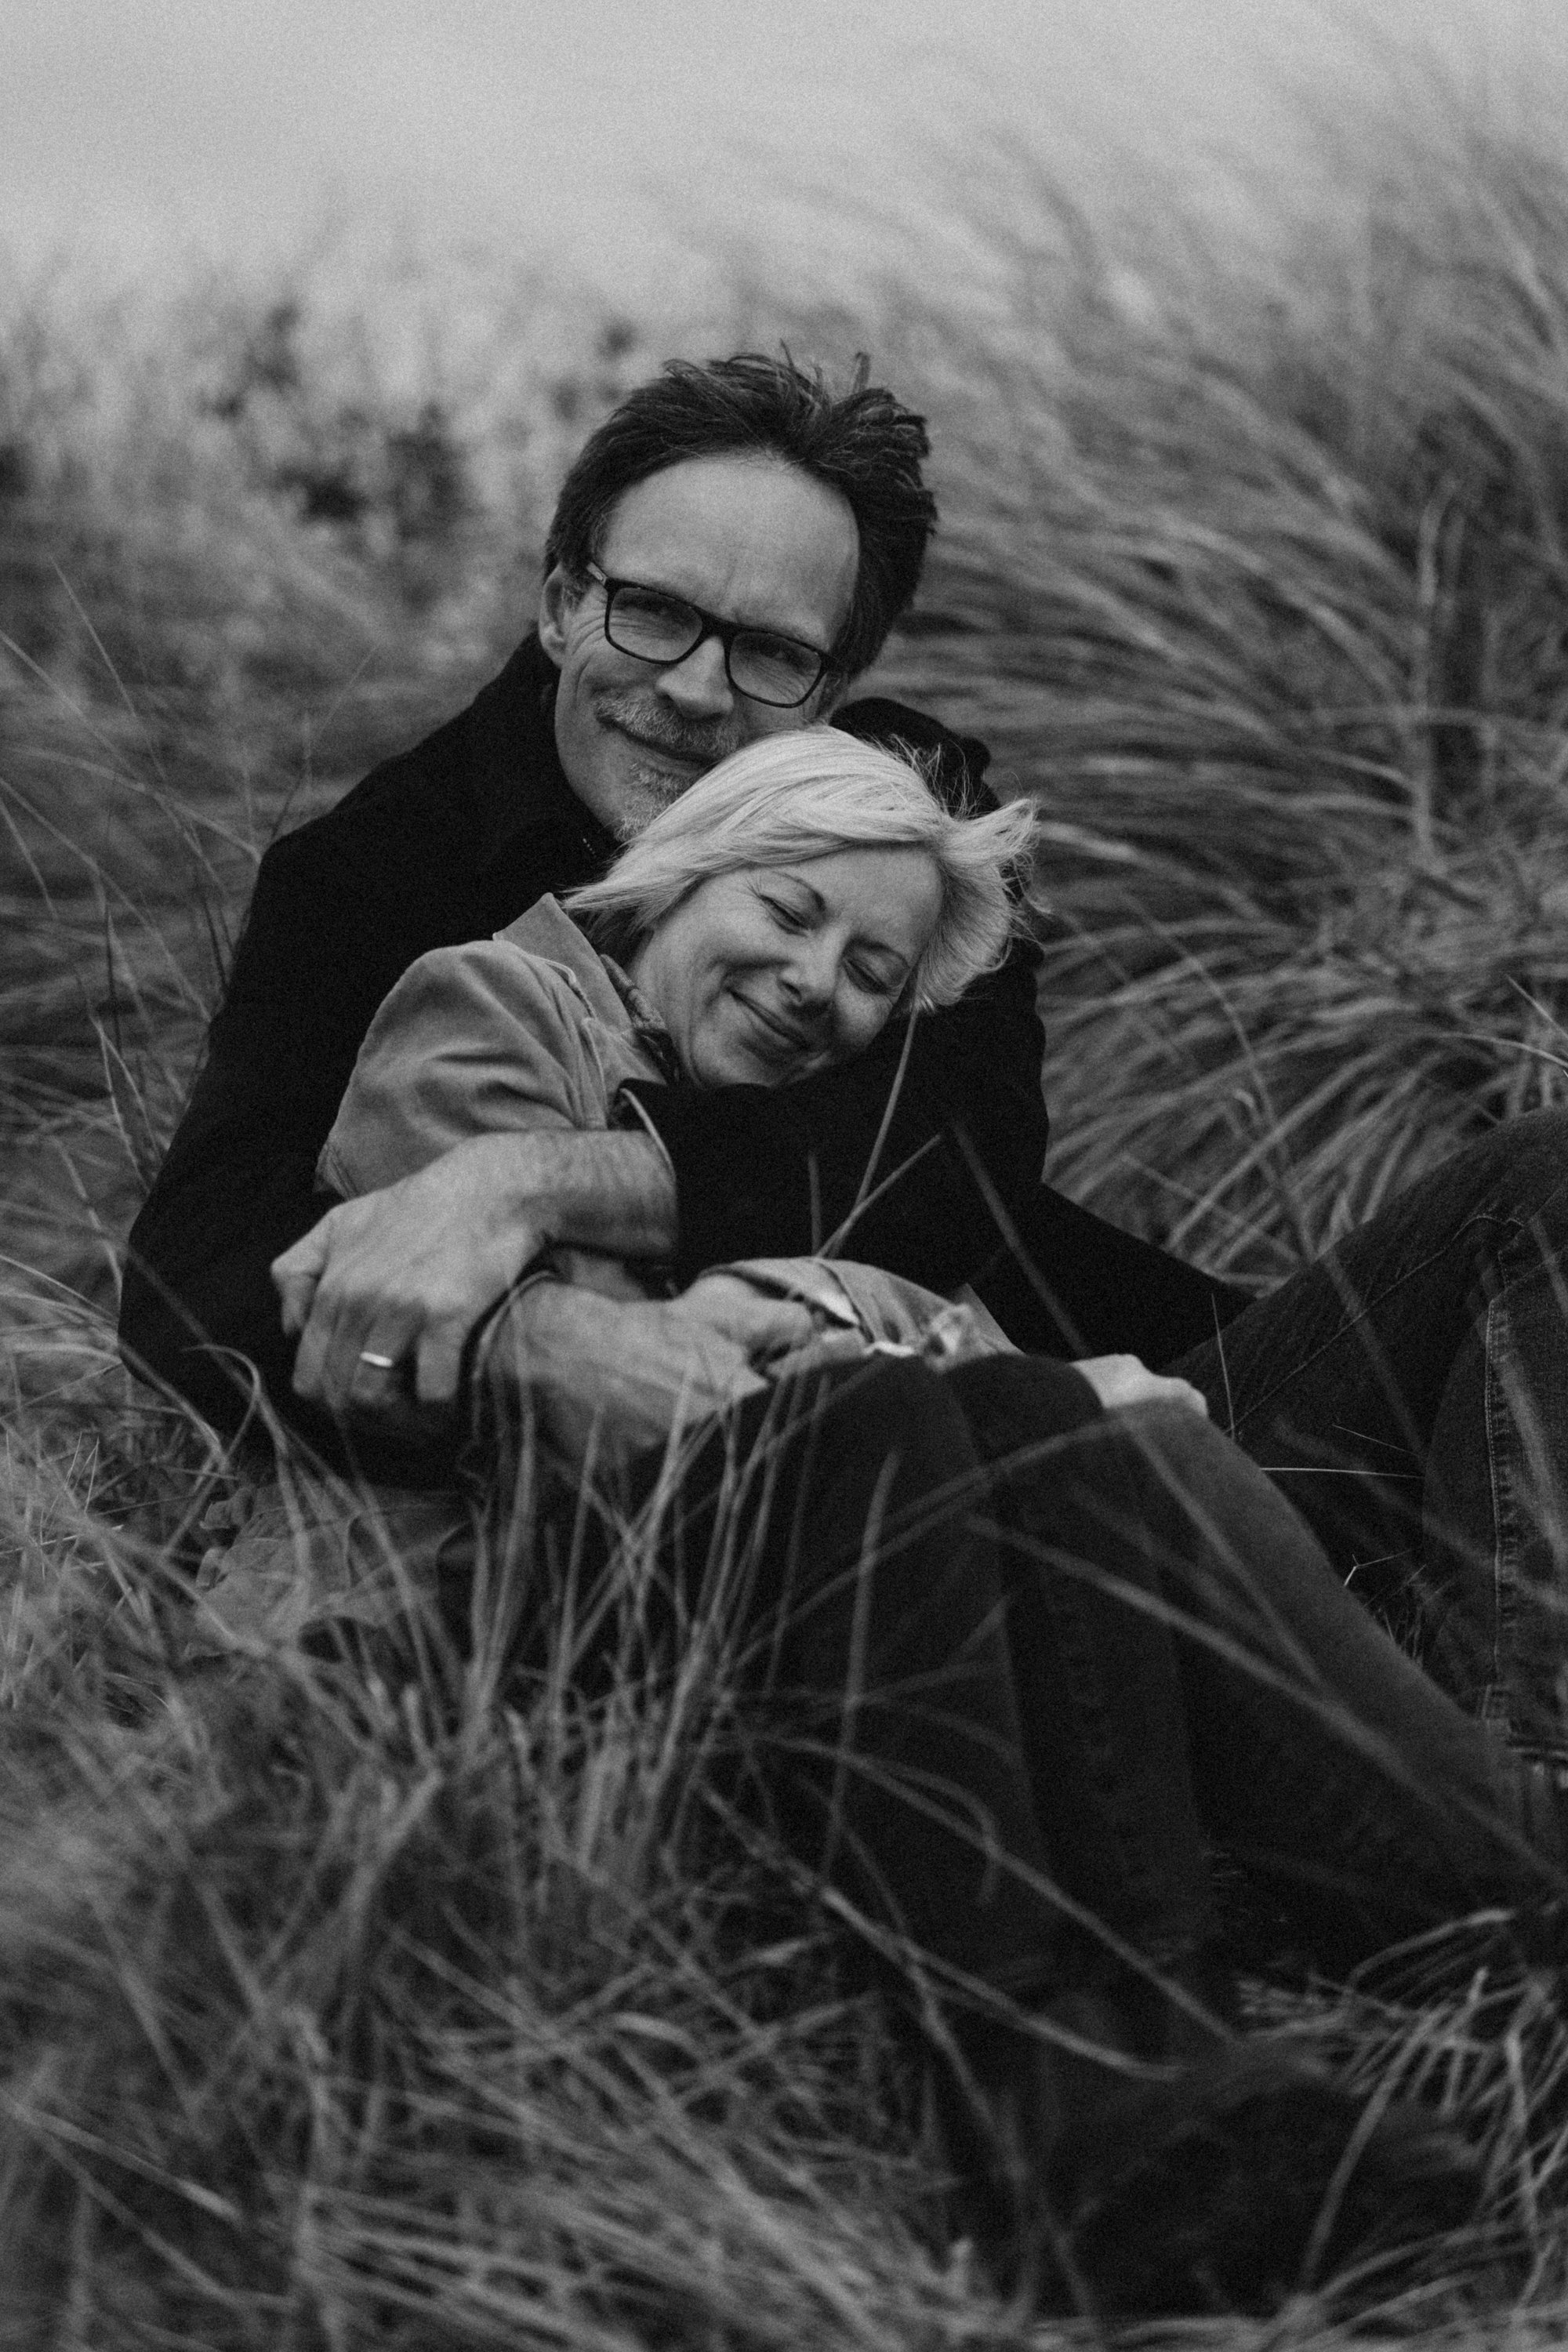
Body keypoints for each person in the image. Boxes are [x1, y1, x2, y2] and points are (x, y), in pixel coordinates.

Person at [243, 728, 1563, 2316]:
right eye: (790, 915)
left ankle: (1161, 2067)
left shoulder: (782, 1128)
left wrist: (871, 1323)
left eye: (872, 970)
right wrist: (806, 1317)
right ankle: (1407, 1953)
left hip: (793, 1606)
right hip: (515, 1643)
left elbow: (932, 1329)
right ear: (671, 880)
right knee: (930, 1416)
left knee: (1023, 1420)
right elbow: (535, 1359)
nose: (821, 985)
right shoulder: (501, 1003)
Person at [120, 349, 1568, 1767]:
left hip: (1157, 1403)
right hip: (851, 1555)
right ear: (564, 601)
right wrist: (527, 1345)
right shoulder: (374, 875)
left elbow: (955, 1165)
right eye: (652, 612)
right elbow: (196, 1263)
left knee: (1536, 1199)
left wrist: (524, 1186)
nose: (694, 691)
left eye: (771, 652)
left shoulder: (904, 822)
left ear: (834, 685)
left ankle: (1520, 1779)